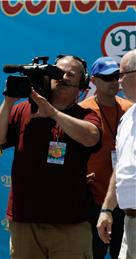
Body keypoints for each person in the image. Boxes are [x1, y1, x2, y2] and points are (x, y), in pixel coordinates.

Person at [0, 55, 102, 259]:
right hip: (25, 223)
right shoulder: (22, 109)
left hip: (69, 225)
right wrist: (8, 103)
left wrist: (53, 113)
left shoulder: (86, 114)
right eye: (57, 71)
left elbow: (91, 137)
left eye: (70, 74)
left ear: (81, 84)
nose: (62, 77)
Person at [79, 56, 132, 259]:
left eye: (116, 76)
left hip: (125, 201)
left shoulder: (129, 109)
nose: (113, 82)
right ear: (93, 80)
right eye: (107, 77)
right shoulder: (83, 111)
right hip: (93, 200)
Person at [97, 49, 136, 259]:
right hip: (129, 223)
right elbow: (121, 168)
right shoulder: (128, 116)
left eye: (121, 75)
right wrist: (107, 209)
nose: (118, 82)